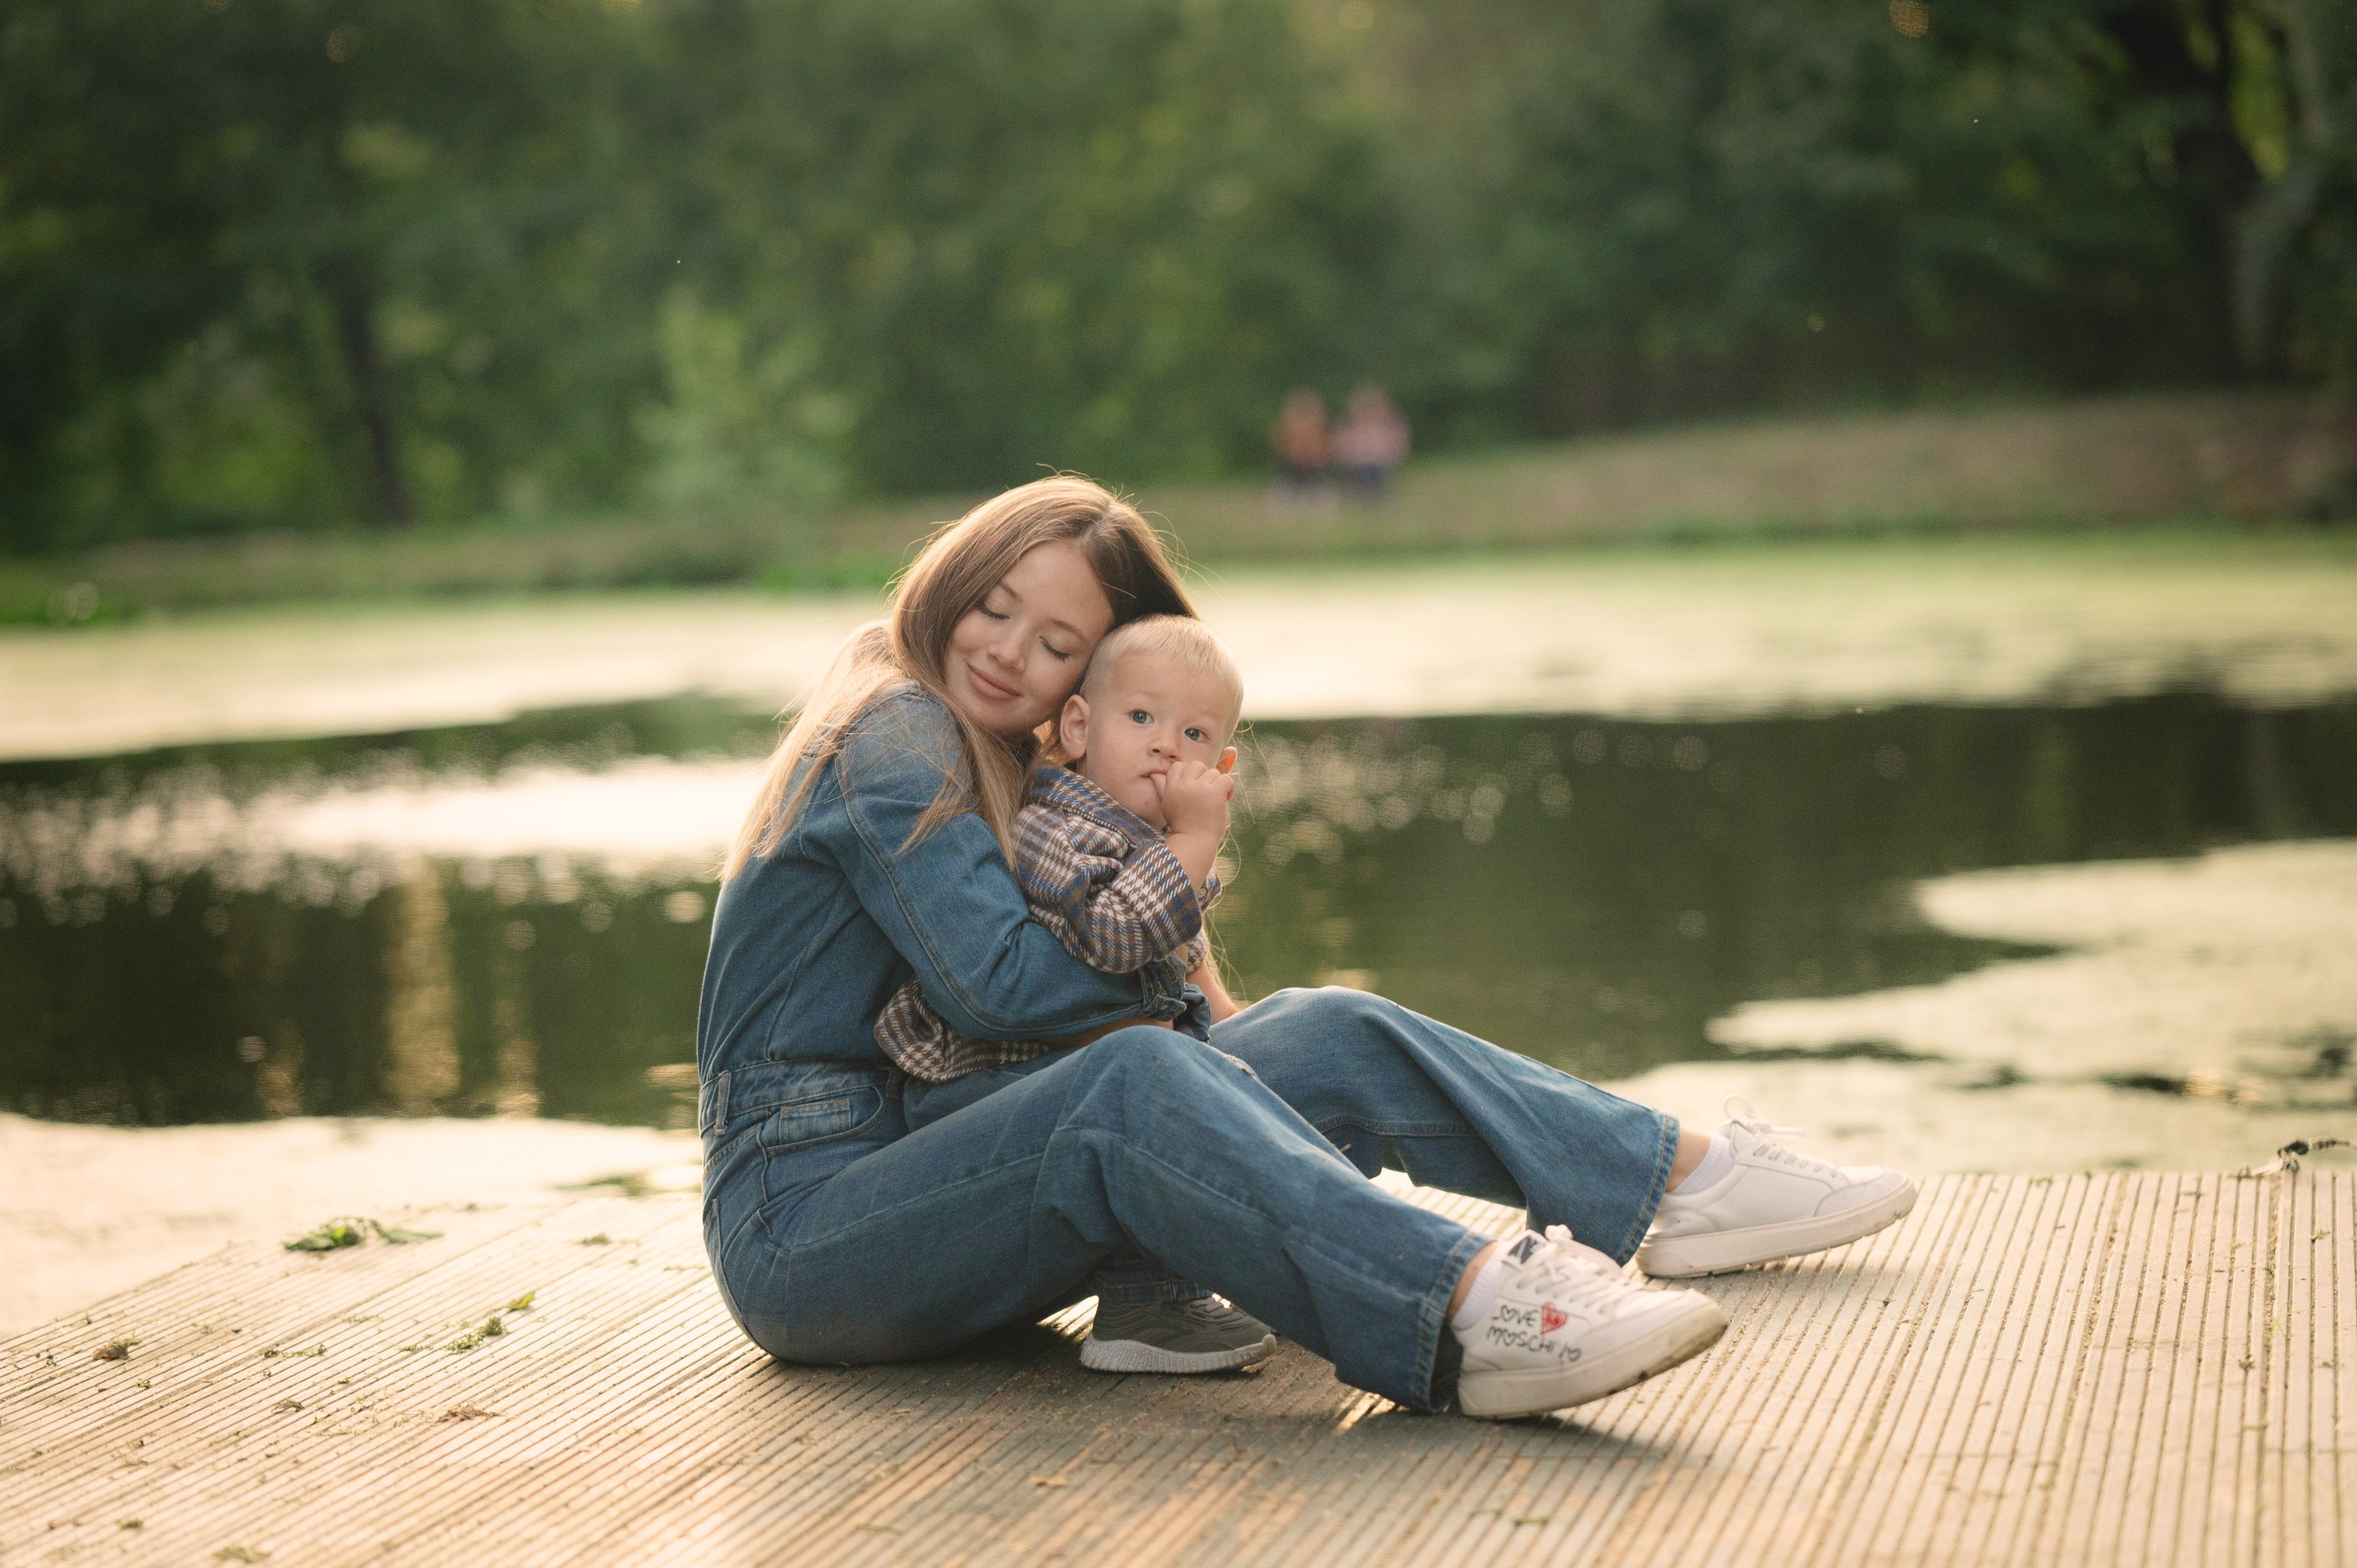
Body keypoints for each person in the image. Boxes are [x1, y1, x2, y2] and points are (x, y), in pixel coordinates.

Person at [697, 475, 1917, 1420]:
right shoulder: (896, 724)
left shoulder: (1007, 744)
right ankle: (1476, 1309)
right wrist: (1190, 1017)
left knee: (1321, 1030)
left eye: (1059, 640)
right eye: (996, 603)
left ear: (1091, 676)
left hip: (935, 1160)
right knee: (1144, 1072)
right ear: (950, 575)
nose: (1011, 648)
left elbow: (1086, 980)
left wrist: (1232, 1040)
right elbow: (1001, 985)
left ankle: (1680, 1183)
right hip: (805, 1226)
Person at [870, 612, 1278, 1375]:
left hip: (1061, 1079)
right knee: (1156, 1095)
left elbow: (1184, 964)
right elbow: (1117, 936)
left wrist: (1240, 1053)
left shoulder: (1146, 846)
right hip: (980, 1093)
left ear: (1220, 768)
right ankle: (1145, 1306)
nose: (1165, 745)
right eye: (1142, 717)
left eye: (1193, 735)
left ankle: (1215, 1276)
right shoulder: (1054, 825)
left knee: (1221, 1085)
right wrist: (1196, 841)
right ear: (1080, 727)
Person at [1331, 384, 1411, 502]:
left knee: (1372, 468)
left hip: (1380, 465)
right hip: (1356, 465)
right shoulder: (1349, 427)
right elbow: (1341, 448)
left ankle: (1371, 493)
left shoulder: (1389, 426)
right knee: (1365, 469)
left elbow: (1397, 447)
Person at [1268, 388, 1331, 502]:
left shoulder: (1319, 431)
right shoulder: (1287, 431)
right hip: (1292, 470)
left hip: (1314, 471)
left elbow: (1321, 451)